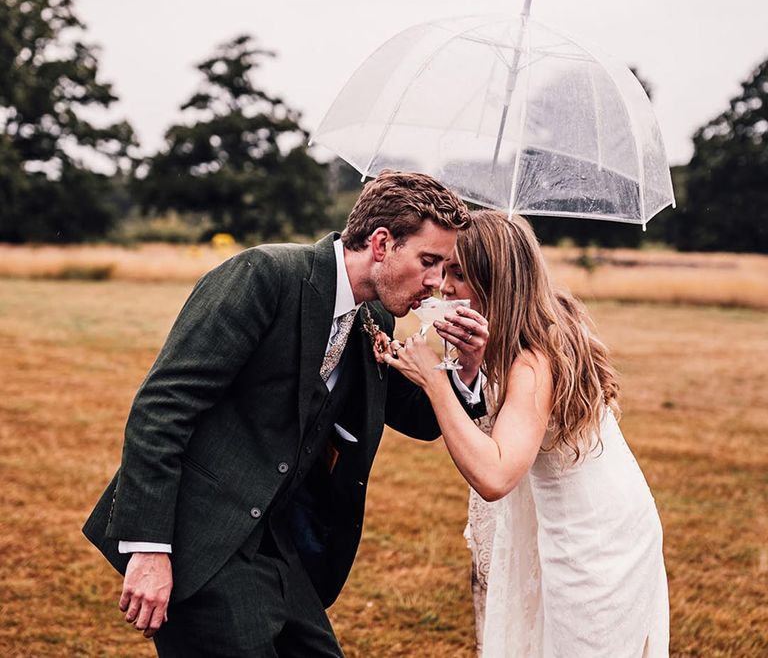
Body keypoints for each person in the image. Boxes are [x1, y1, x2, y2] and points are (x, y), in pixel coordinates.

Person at [83, 170, 488, 657]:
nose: (437, 283)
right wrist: (149, 549)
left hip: (282, 547)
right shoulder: (264, 276)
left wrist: (466, 367)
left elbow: (420, 420)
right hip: (201, 539)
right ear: (381, 244)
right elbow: (162, 408)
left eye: (443, 267)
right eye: (429, 262)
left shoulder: (375, 317)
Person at [384, 210, 669, 657]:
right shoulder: (524, 329)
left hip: (593, 539)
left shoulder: (535, 357)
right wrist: (470, 366)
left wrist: (434, 381)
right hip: (573, 521)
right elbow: (497, 420)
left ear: (494, 278)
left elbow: (495, 475)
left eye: (458, 273)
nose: (443, 286)